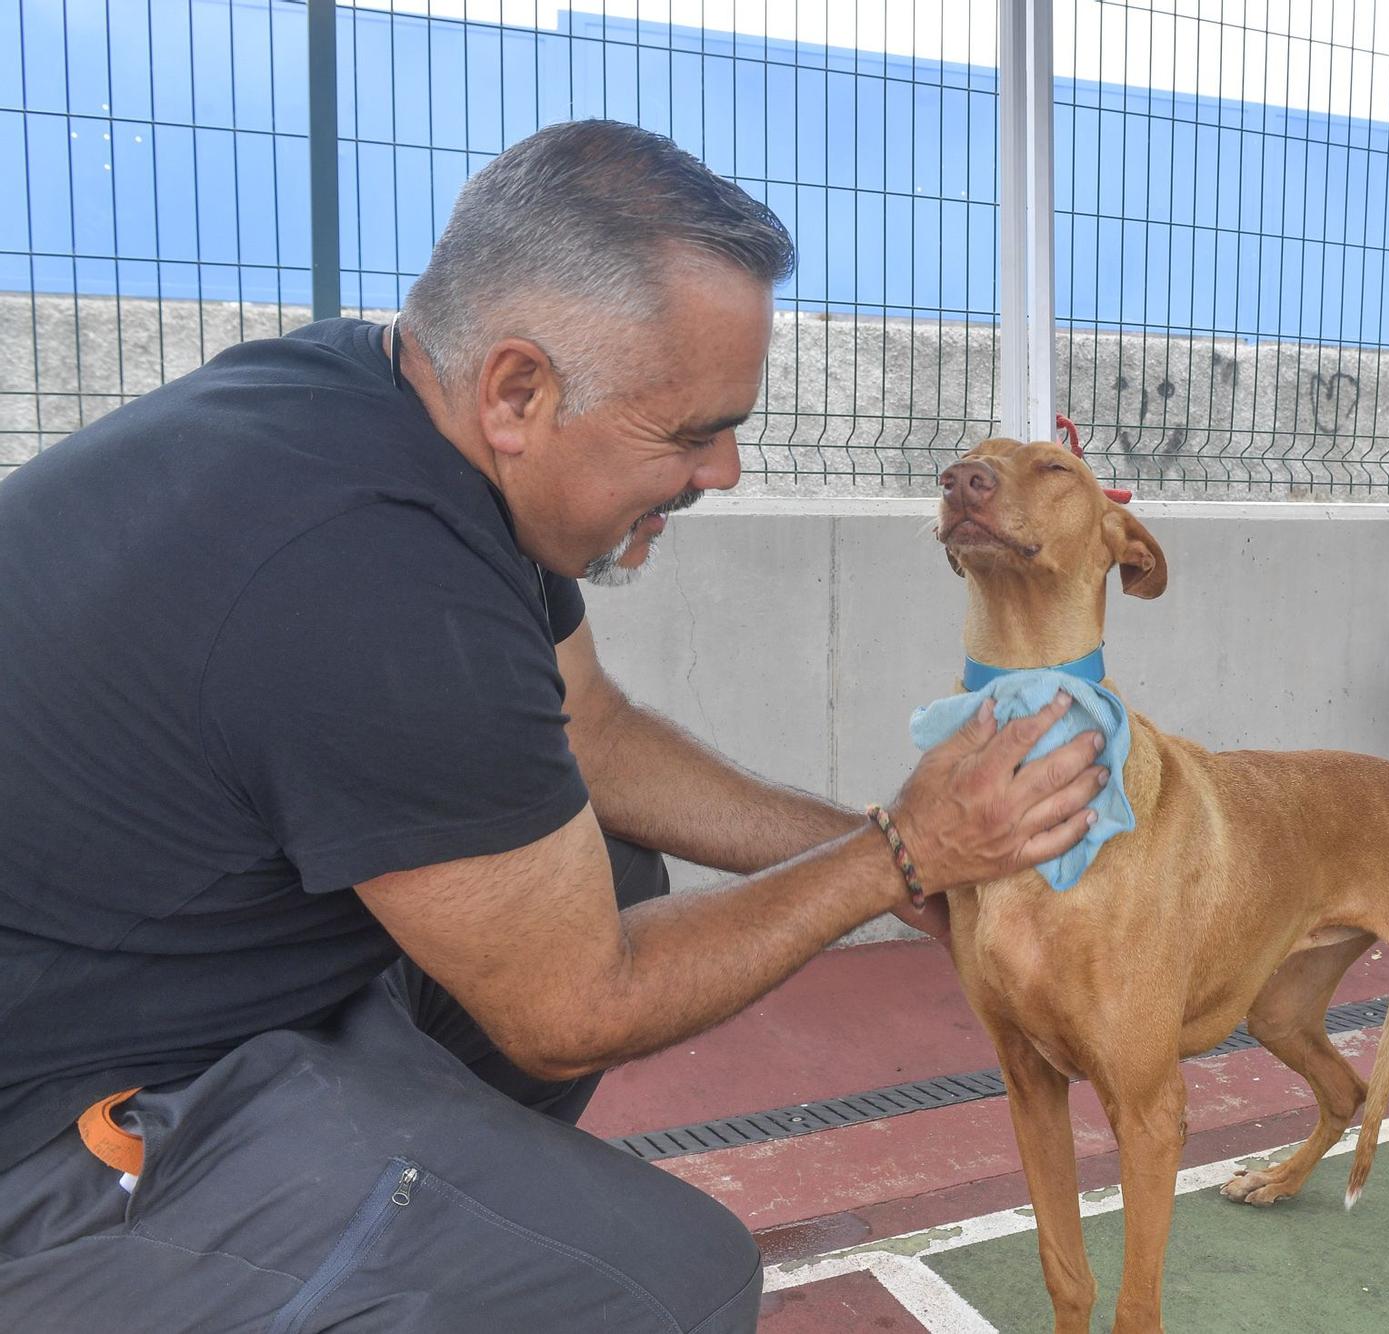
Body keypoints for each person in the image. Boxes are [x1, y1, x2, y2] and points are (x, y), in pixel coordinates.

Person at [0, 119, 1105, 1331]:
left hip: (156, 987)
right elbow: (574, 1004)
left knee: (613, 864)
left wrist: (881, 852)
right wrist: (903, 851)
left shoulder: (384, 408)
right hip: (51, 1137)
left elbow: (593, 732)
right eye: (689, 430)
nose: (724, 469)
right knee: (673, 1286)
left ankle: (403, 1218)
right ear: (518, 388)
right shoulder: (371, 577)